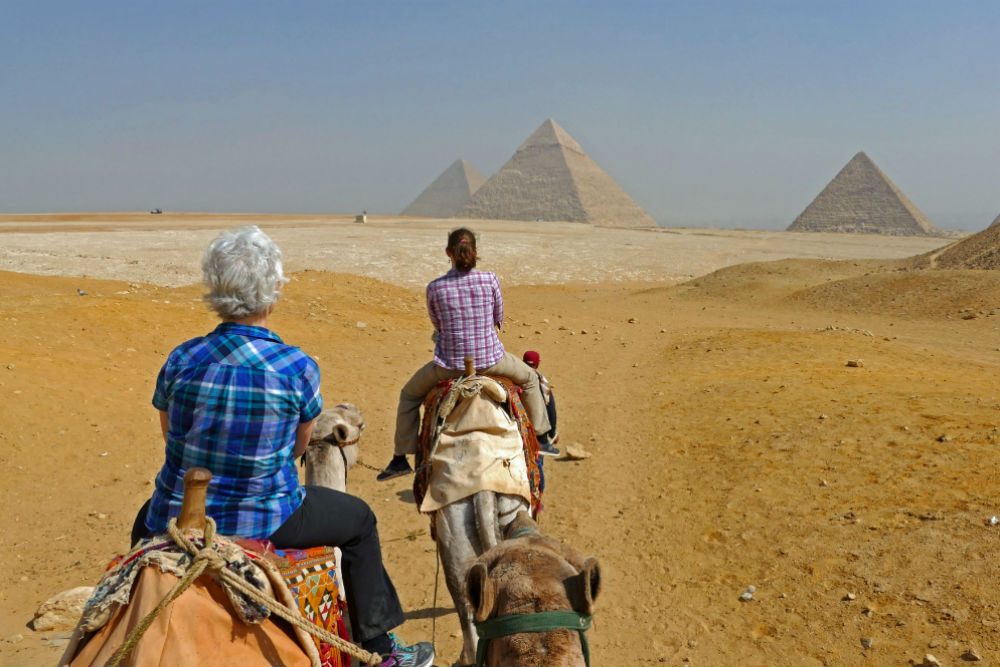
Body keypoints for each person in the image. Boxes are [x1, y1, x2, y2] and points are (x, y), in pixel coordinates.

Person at [129, 226, 433, 667]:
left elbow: (171, 434)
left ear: (215, 291)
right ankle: (379, 648)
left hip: (179, 513)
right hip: (268, 516)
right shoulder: (296, 367)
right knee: (360, 521)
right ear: (272, 294)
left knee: (143, 529)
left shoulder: (181, 358)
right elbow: (297, 446)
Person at [378, 227, 552, 481]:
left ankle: (400, 457)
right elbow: (498, 318)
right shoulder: (490, 279)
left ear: (448, 252)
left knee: (409, 395)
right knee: (529, 378)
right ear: (475, 252)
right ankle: (543, 437)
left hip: (449, 364)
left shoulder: (434, 288)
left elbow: (437, 324)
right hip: (492, 361)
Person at [522, 350, 559, 457]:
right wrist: (553, 434)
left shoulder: (515, 379)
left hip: (519, 429)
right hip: (537, 433)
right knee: (537, 462)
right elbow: (551, 408)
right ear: (538, 363)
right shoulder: (542, 382)